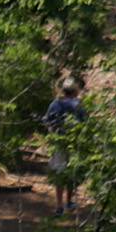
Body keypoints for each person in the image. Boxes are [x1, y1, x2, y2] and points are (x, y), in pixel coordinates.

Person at [44, 75, 85, 213]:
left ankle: (59, 205)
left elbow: (47, 122)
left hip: (58, 143)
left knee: (60, 173)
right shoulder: (78, 105)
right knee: (72, 172)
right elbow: (85, 124)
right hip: (74, 143)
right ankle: (69, 202)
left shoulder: (55, 104)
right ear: (75, 91)